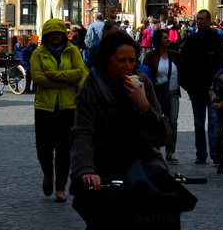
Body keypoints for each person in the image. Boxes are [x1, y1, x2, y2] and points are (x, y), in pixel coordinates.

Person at [69, 30, 171, 225]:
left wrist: (145, 108)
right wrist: (85, 170)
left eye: (132, 61)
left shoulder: (143, 84)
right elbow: (83, 133)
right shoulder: (91, 88)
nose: (128, 67)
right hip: (105, 164)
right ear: (106, 62)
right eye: (121, 61)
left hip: (142, 164)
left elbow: (162, 137)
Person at [30, 18, 87, 202]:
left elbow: (81, 74)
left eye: (58, 33)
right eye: (51, 33)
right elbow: (38, 79)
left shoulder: (73, 52)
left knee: (64, 148)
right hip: (44, 107)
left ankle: (61, 187)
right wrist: (67, 80)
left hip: (68, 106)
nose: (55, 36)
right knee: (43, 147)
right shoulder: (38, 54)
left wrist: (54, 75)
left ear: (63, 34)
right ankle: (48, 174)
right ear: (46, 36)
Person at [176, 9, 223, 164]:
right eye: (198, 19)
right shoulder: (192, 40)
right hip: (196, 89)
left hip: (213, 91)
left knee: (212, 121)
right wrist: (186, 85)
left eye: (202, 19)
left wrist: (220, 85)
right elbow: (182, 63)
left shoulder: (217, 40)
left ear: (209, 20)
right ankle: (200, 154)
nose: (199, 21)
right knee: (198, 124)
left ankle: (215, 153)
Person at [141, 38, 181, 162]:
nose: (168, 39)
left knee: (172, 122)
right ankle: (155, 149)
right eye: (164, 38)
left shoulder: (174, 55)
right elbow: (146, 73)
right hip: (157, 93)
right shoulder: (150, 56)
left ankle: (170, 151)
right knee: (156, 120)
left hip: (173, 93)